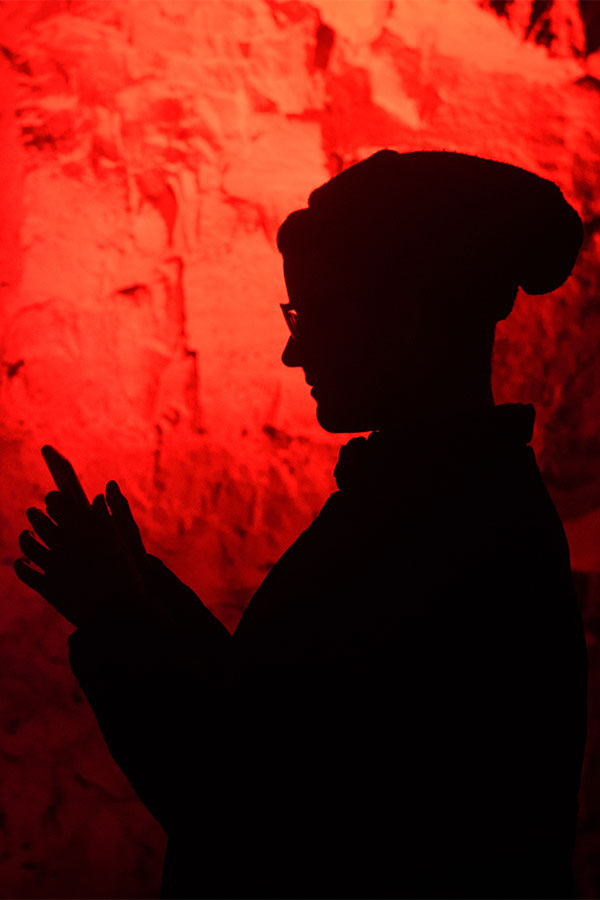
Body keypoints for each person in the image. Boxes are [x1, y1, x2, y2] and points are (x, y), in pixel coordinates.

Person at [15, 149, 588, 899]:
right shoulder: (443, 502)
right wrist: (139, 597)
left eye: (311, 314)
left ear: (402, 313)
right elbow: (273, 717)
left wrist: (117, 617)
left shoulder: (443, 532)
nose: (294, 349)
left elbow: (258, 815)